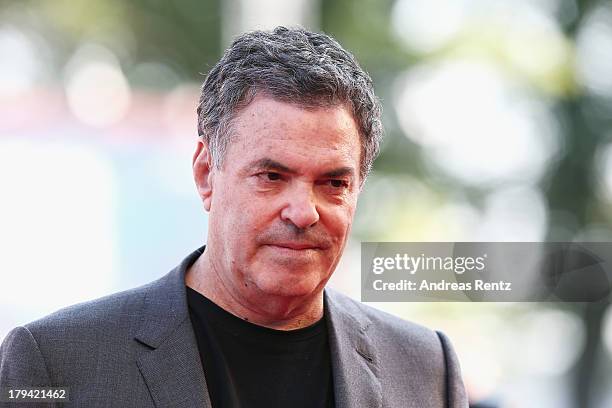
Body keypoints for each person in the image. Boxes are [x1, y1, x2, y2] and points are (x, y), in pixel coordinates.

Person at [0, 27, 468, 407]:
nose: (304, 212)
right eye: (271, 175)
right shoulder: (54, 363)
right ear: (206, 173)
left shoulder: (427, 369)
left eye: (333, 183)